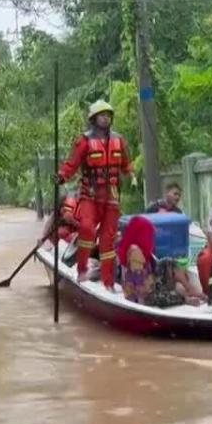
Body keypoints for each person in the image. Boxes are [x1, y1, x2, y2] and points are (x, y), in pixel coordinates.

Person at [57, 100, 131, 290]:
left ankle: (108, 281)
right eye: (102, 115)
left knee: (108, 239)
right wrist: (62, 176)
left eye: (108, 115)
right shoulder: (84, 141)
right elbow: (72, 164)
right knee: (87, 229)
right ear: (94, 118)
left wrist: (131, 174)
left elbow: (125, 164)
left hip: (111, 196)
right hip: (90, 194)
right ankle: (82, 268)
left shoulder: (119, 140)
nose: (106, 118)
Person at [118, 215, 205, 307]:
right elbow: (142, 290)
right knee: (168, 296)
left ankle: (191, 291)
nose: (151, 237)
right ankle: (186, 299)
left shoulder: (142, 249)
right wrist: (164, 291)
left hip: (149, 284)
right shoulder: (135, 252)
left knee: (168, 262)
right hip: (140, 296)